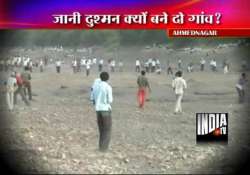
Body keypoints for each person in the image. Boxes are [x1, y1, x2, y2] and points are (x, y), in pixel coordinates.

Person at [92, 72, 113, 152]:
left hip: (98, 109)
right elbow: (110, 100)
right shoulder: (108, 87)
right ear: (108, 78)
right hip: (105, 109)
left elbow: (93, 98)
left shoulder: (96, 87)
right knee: (107, 129)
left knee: (101, 129)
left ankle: (101, 146)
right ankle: (104, 148)